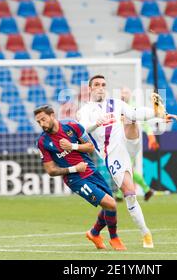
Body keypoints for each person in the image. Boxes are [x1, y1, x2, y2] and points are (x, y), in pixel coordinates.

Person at [76, 75, 177, 248]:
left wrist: (158, 115)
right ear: (90, 89)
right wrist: (95, 123)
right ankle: (146, 233)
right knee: (130, 194)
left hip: (129, 143)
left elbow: (136, 112)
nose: (101, 87)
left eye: (103, 84)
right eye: (97, 85)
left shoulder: (116, 103)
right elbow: (83, 128)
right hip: (112, 154)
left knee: (131, 116)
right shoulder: (84, 111)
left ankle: (157, 109)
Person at [34, 104, 126, 251]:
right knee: (111, 204)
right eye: (38, 122)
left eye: (43, 119)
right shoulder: (42, 142)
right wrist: (74, 169)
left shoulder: (73, 127)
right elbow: (51, 170)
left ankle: (94, 233)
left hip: (91, 170)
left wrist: (72, 146)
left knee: (109, 205)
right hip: (75, 179)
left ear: (52, 115)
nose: (41, 124)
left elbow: (90, 147)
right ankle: (114, 238)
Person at [115, 87, 159, 202]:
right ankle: (146, 190)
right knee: (126, 169)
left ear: (130, 95)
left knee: (125, 168)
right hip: (120, 141)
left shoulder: (133, 107)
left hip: (132, 142)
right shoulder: (118, 106)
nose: (124, 94)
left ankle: (120, 195)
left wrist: (150, 136)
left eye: (126, 92)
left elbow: (145, 123)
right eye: (122, 92)